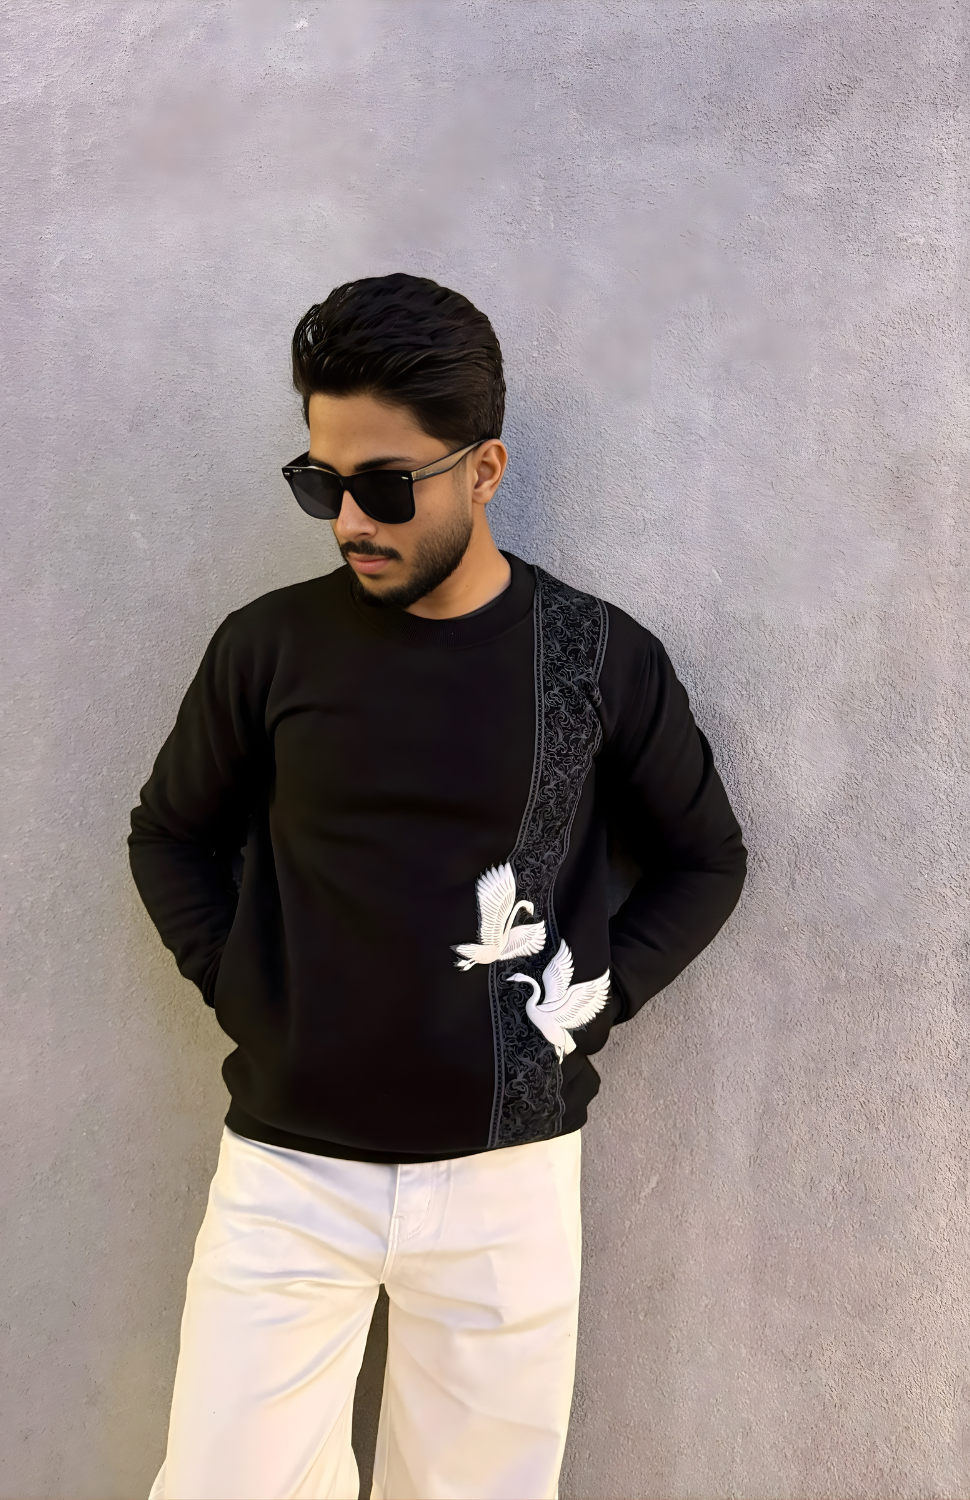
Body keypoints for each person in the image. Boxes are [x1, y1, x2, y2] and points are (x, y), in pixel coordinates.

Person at [129, 272, 747, 1500]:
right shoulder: (268, 648)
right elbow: (170, 837)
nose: (350, 521)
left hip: (506, 1181)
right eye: (322, 484)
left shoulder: (597, 659)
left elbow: (706, 860)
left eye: (386, 485)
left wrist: (581, 1011)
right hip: (289, 1177)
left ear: (485, 469)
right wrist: (250, 995)